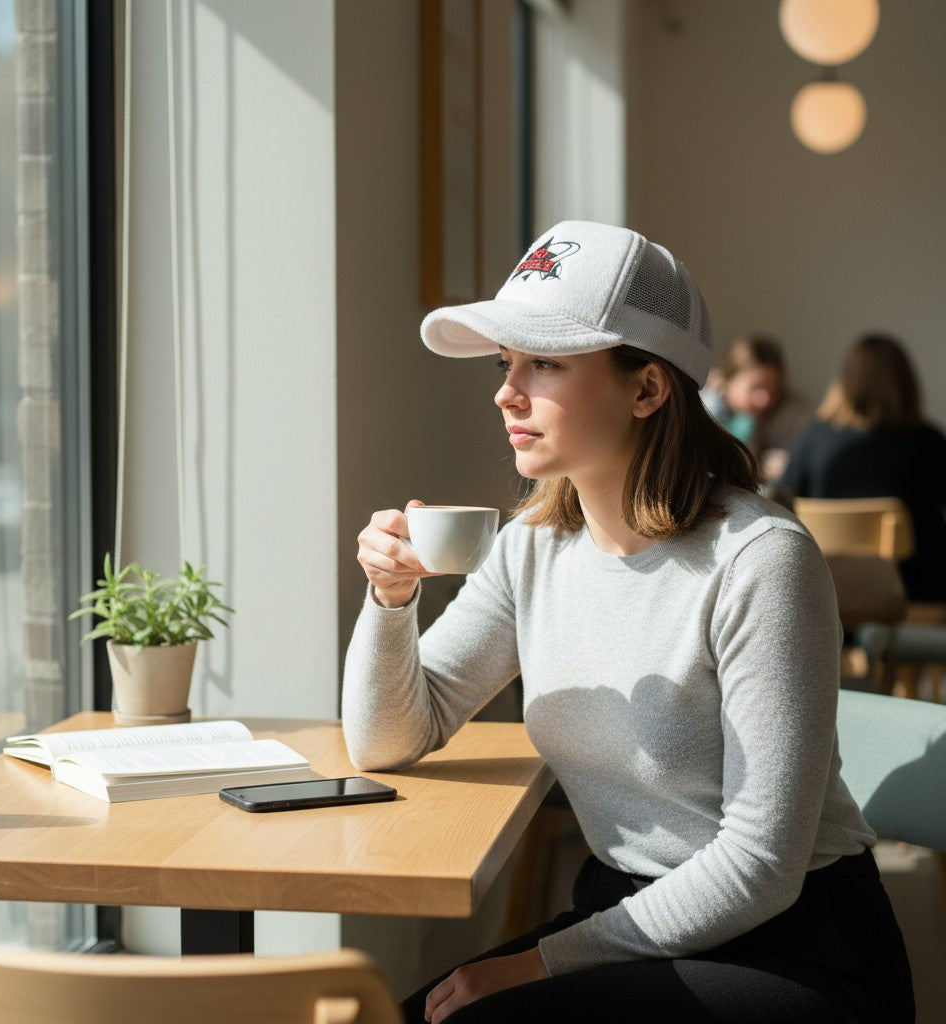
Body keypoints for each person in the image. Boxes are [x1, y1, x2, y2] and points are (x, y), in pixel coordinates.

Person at [343, 221, 914, 1024]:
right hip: (632, 915)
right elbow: (388, 739)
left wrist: (540, 964)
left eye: (544, 363)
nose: (505, 392)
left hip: (794, 944)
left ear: (647, 389)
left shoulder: (760, 561)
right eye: (507, 363)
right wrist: (390, 599)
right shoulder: (531, 548)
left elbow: (760, 866)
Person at [778, 332, 946, 603]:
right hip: (914, 589)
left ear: (845, 381)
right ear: (906, 383)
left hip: (827, 589)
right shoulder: (928, 442)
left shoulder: (816, 436)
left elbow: (782, 496)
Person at [701, 334, 812, 482]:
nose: (765, 400)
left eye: (773, 390)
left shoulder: (787, 411)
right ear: (729, 379)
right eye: (756, 388)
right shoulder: (706, 409)